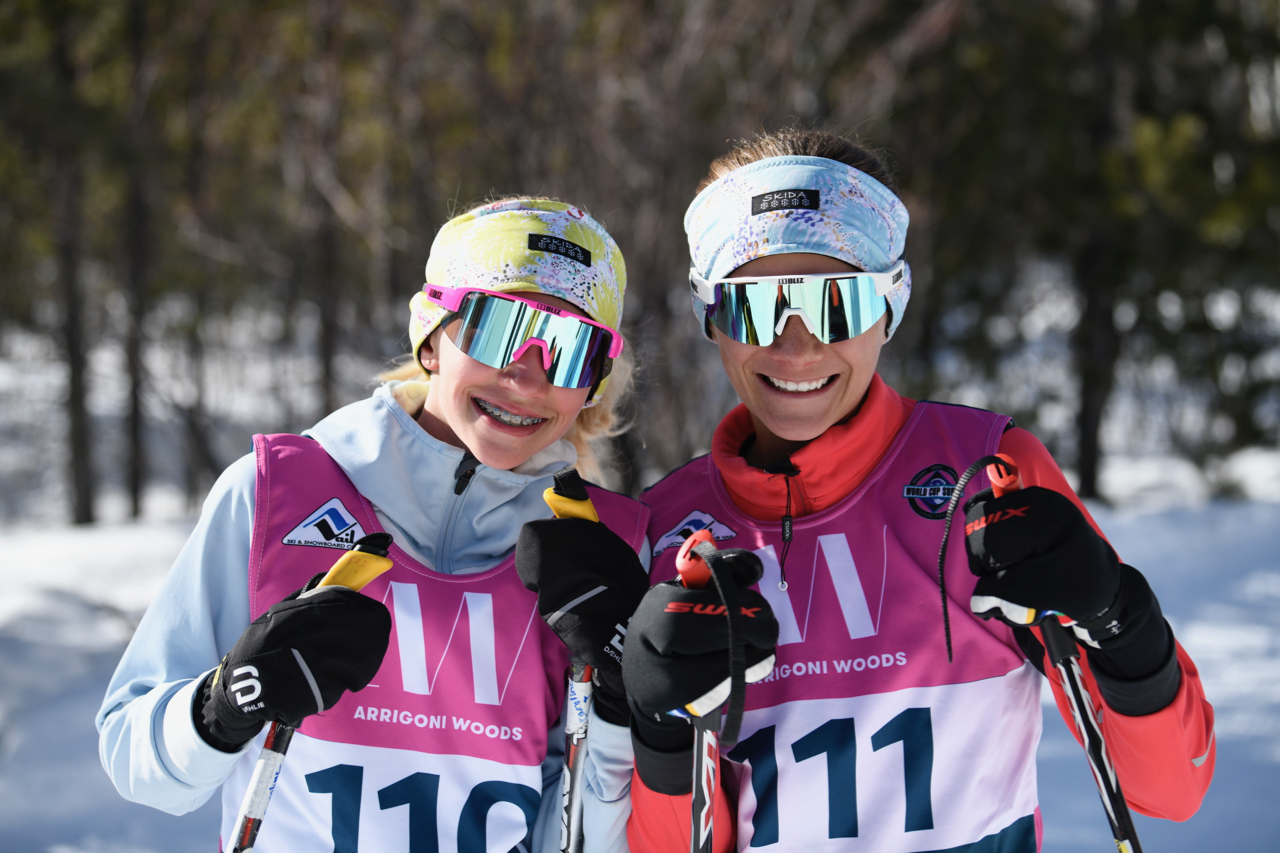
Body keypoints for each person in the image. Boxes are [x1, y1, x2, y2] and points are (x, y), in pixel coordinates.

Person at [581, 129, 1215, 852]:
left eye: (837, 303)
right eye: (755, 305)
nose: (796, 345)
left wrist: (1118, 618)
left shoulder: (988, 471)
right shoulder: (665, 531)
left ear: (892, 304)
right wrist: (662, 735)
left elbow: (1170, 787)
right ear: (709, 315)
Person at [96, 198, 653, 853]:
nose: (525, 373)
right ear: (430, 334)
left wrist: (618, 703)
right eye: (498, 326)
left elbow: (593, 827)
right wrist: (224, 704)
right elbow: (134, 757)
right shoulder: (275, 493)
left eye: (570, 348)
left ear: (592, 384)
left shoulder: (602, 549)